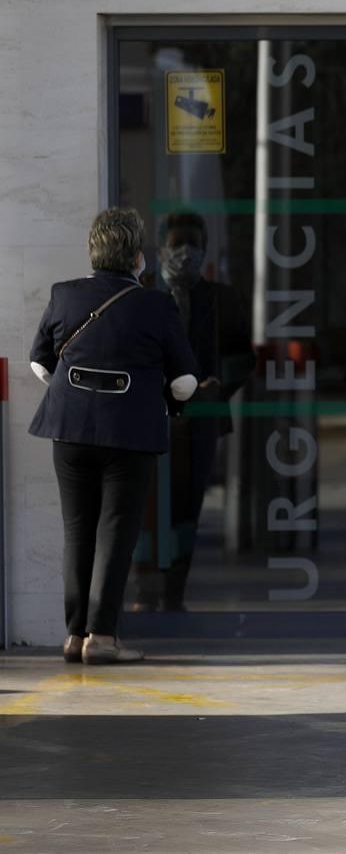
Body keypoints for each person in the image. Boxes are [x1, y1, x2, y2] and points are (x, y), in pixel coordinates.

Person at [28, 207, 199, 665]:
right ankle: (102, 638)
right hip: (130, 434)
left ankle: (73, 635)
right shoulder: (156, 305)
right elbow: (185, 382)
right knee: (116, 533)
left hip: (68, 430)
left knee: (77, 532)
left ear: (93, 251)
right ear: (137, 258)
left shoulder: (64, 295)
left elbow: (41, 364)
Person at [132, 211, 255, 612]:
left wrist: (219, 384)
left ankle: (175, 593)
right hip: (151, 419)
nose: (186, 253)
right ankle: (145, 592)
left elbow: (242, 356)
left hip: (200, 421)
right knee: (146, 509)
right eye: (177, 243)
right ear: (161, 248)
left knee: (187, 509)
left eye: (194, 244)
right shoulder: (142, 294)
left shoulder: (221, 298)